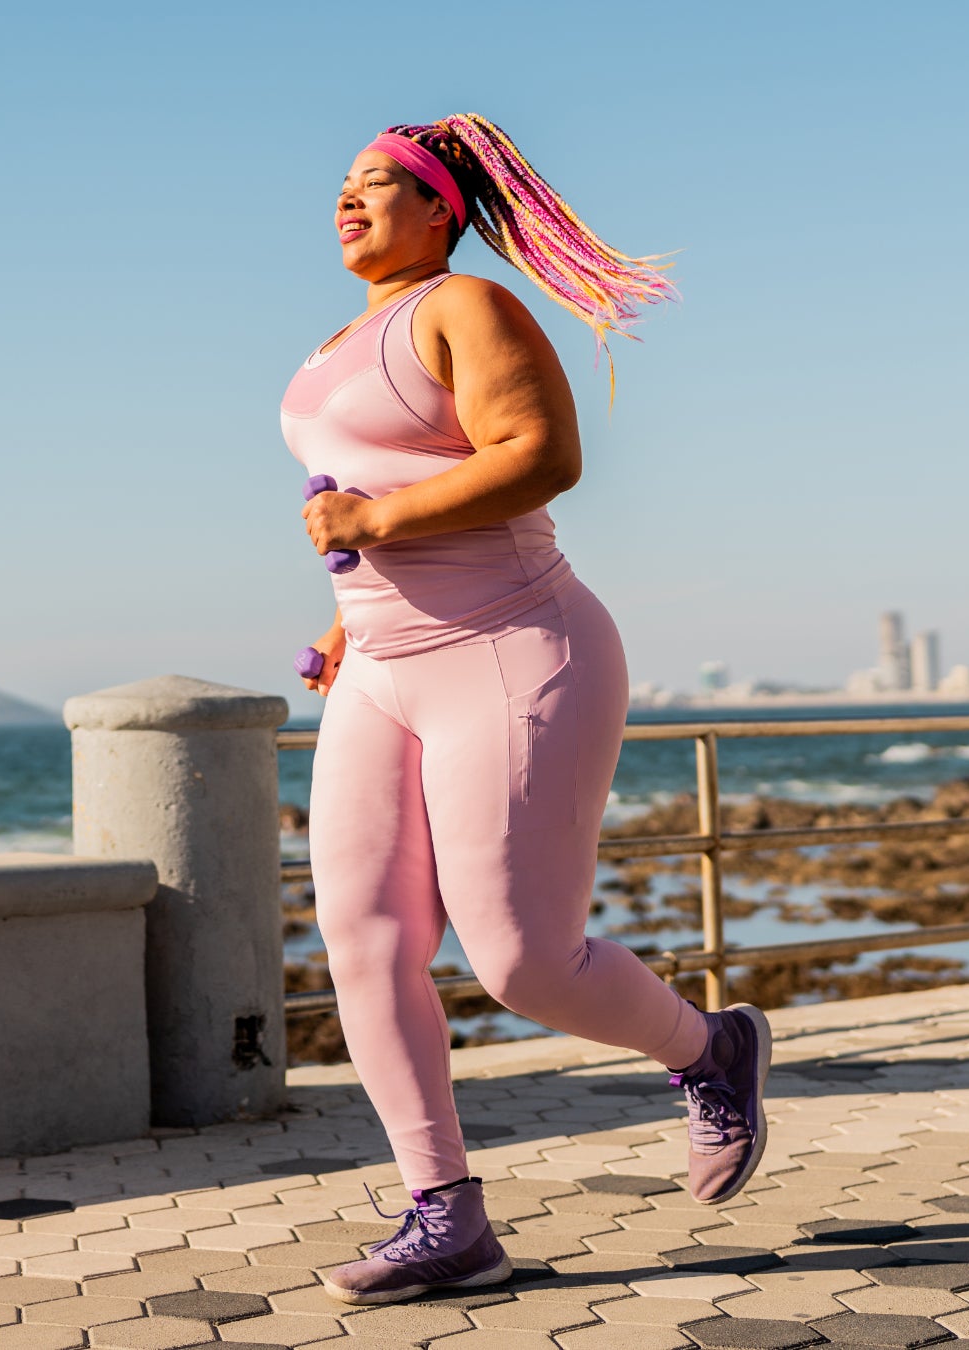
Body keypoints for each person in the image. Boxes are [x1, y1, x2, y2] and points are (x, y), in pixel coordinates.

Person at [282, 114, 773, 1307]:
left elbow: (544, 455)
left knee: (520, 961)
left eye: (379, 185)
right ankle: (444, 1216)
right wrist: (353, 619)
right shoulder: (336, 342)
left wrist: (376, 529)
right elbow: (380, 488)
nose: (349, 199)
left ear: (442, 208)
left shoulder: (466, 308)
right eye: (342, 184)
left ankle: (711, 1050)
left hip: (515, 646)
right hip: (384, 671)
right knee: (366, 945)